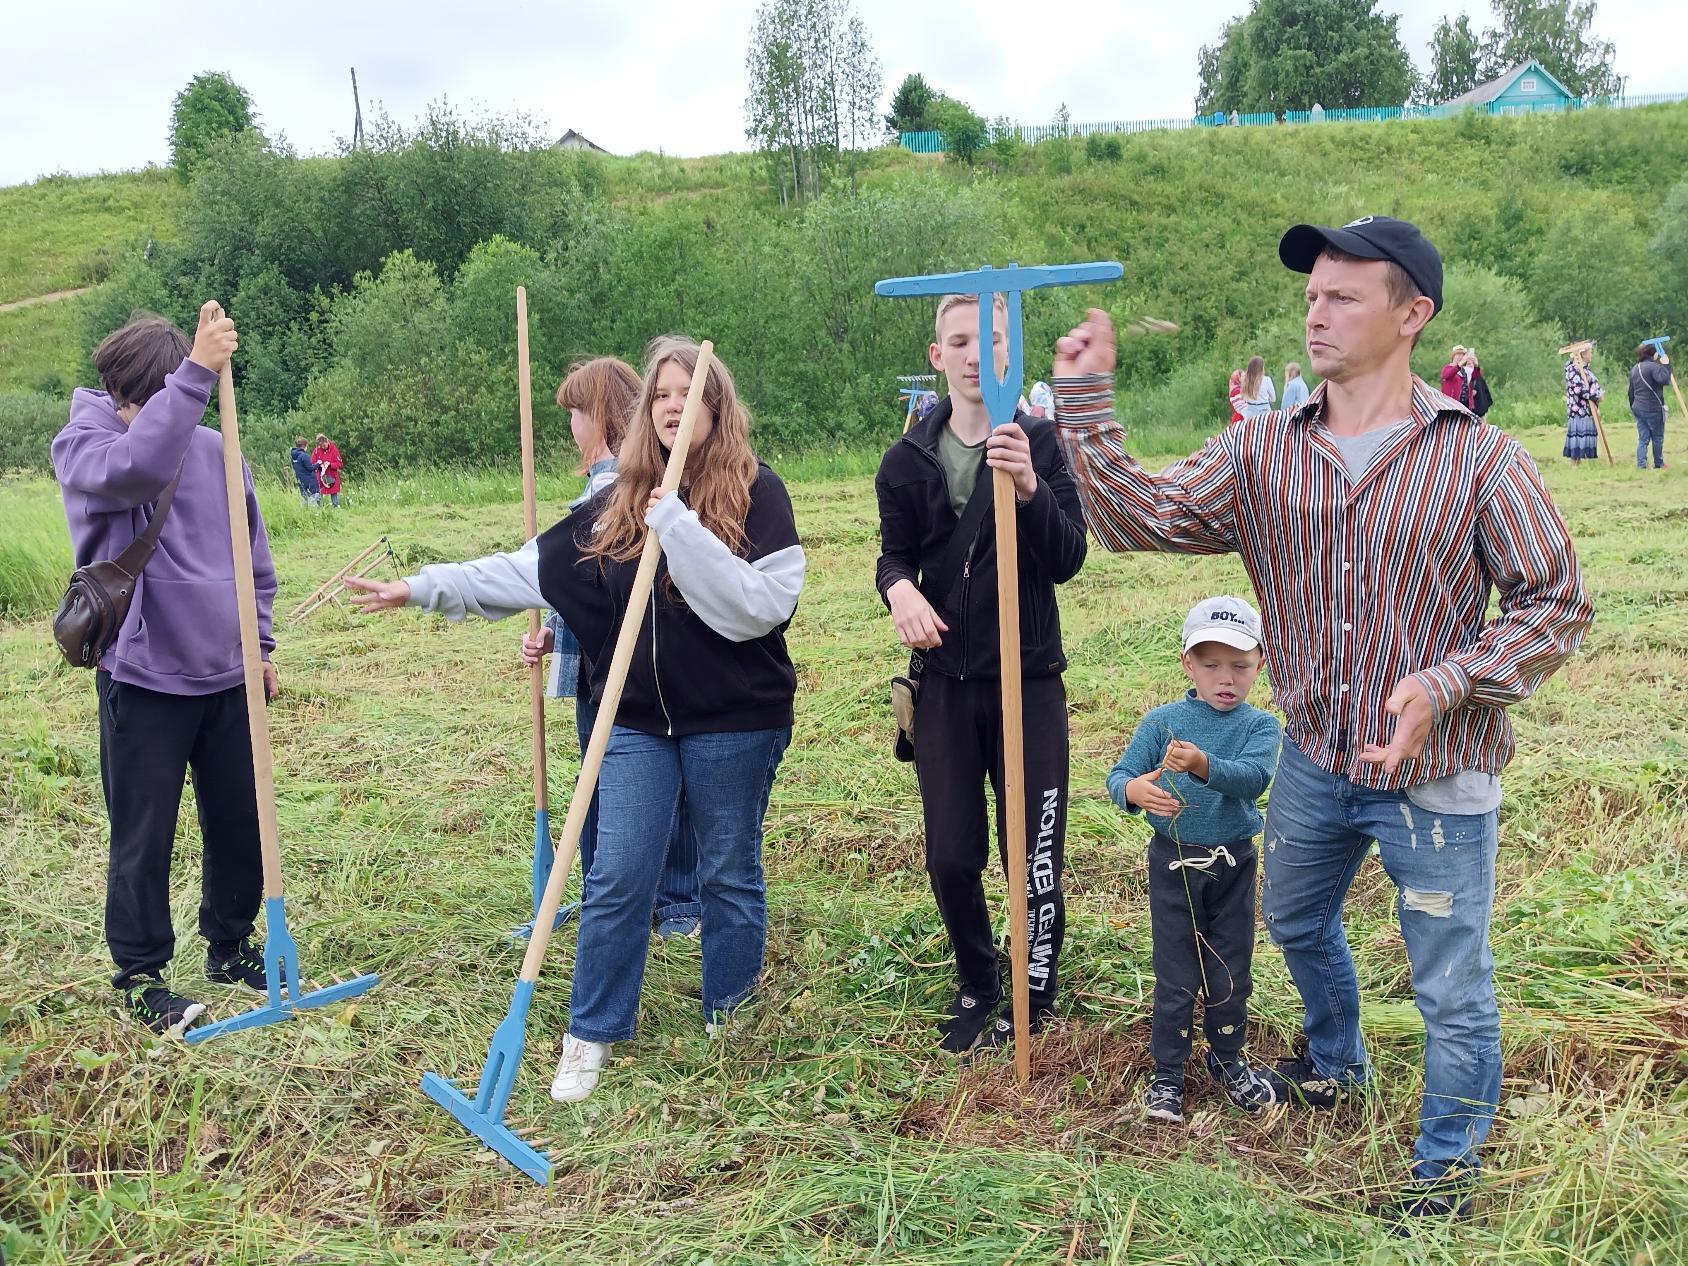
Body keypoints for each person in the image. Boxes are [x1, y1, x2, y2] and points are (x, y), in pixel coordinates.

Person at [1050, 215, 1592, 1223]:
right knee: (1294, 916)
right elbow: (1144, 520)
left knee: (1448, 986)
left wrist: (1445, 684)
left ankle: (1441, 1173)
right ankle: (1335, 1060)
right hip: (1311, 759)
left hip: (1435, 778)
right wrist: (1083, 406)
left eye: (1343, 295)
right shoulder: (1263, 450)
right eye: (1310, 295)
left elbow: (1553, 603)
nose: (1316, 311)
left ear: (1410, 315)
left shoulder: (1478, 459)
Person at [344, 358, 702, 937]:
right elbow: (581, 584)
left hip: (643, 677)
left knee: (638, 792)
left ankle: (668, 905)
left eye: (576, 414)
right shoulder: (605, 488)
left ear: (601, 416)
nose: (570, 428)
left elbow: (608, 586)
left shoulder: (624, 490)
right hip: (606, 667)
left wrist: (420, 587)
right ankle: (617, 903)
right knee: (613, 792)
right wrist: (559, 631)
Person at [538, 336, 805, 1103]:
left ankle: (730, 1007)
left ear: (716, 408)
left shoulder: (761, 492)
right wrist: (430, 589)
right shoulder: (618, 495)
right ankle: (591, 1030)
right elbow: (540, 568)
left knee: (727, 868)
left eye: (689, 395)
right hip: (637, 720)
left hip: (734, 719)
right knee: (619, 872)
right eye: (661, 396)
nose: (672, 408)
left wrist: (682, 525)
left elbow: (762, 607)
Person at [52, 302, 278, 1036]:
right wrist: (196, 376)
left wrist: (262, 647)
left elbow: (255, 559)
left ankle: (232, 943)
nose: (157, 412)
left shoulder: (220, 449)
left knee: (240, 821)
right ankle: (142, 971)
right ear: (125, 394)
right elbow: (141, 463)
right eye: (149, 399)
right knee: (143, 833)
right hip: (142, 676)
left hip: (225, 672)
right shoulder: (87, 443)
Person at [875, 293, 1088, 1056]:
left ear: (1011, 355)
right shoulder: (906, 460)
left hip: (1027, 682)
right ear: (938, 357)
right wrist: (898, 589)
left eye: (990, 341)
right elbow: (894, 554)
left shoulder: (1042, 443)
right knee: (952, 853)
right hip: (947, 686)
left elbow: (1068, 557)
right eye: (959, 341)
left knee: (1033, 850)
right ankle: (978, 978)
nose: (974, 355)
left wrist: (1029, 489)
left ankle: (1035, 989)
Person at [1107, 596, 1284, 1123]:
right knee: (1176, 969)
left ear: (1260, 664)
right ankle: (1168, 1073)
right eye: (1211, 665)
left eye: (1240, 666)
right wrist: (1135, 792)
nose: (1225, 678)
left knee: (1231, 965)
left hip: (1233, 863)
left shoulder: (1261, 727)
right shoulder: (1163, 723)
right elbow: (1120, 776)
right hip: (1173, 862)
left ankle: (1227, 1059)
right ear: (1188, 664)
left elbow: (1254, 779)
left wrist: (1204, 764)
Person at [1628, 342, 1672, 470]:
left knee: (1643, 438)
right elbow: (1664, 380)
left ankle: (1641, 465)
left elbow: (1631, 391)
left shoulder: (1635, 368)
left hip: (1638, 407)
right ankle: (1659, 463)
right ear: (1654, 353)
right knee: (1657, 437)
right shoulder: (1654, 367)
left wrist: (1633, 406)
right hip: (1653, 408)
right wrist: (1666, 364)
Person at [1563, 346, 1602, 466]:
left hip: (1588, 409)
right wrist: (1596, 396)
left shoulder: (1585, 370)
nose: (1592, 355)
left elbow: (1593, 384)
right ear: (1583, 355)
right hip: (1578, 410)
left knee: (1584, 437)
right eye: (1590, 353)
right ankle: (1574, 464)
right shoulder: (1573, 370)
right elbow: (1579, 390)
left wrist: (1599, 395)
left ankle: (1578, 463)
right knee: (1577, 438)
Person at [1235, 356, 1275, 421]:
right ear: (1261, 368)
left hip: (1250, 411)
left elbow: (1243, 397)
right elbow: (1273, 398)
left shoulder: (1245, 380)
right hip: (1265, 411)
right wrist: (1264, 398)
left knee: (1251, 430)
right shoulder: (1267, 380)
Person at [312, 432, 344, 506]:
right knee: (319, 497)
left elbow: (340, 464)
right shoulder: (316, 451)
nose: (323, 447)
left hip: (332, 476)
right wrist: (319, 465)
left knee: (335, 498)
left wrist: (330, 464)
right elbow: (313, 463)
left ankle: (337, 511)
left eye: (324, 445)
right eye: (321, 445)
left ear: (327, 441)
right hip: (321, 476)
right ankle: (320, 512)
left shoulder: (334, 449)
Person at [290, 437, 320, 505]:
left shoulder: (293, 457)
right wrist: (318, 463)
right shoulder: (304, 456)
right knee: (313, 503)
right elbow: (310, 468)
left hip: (301, 482)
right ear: (304, 446)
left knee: (304, 501)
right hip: (310, 483)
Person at [1466, 349, 1493, 419]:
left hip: (1480, 412)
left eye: (1471, 363)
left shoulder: (1479, 378)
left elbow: (1486, 394)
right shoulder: (1462, 377)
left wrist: (1485, 407)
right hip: (1468, 412)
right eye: (1468, 364)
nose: (1470, 365)